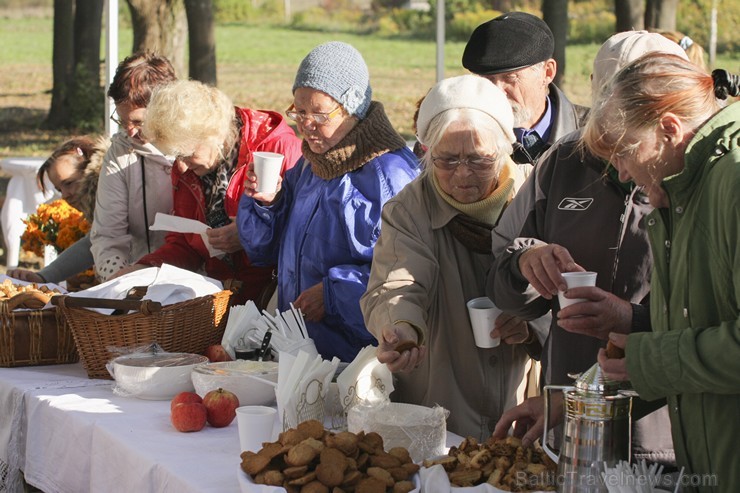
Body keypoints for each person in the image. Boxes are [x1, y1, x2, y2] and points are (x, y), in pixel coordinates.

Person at [487, 32, 689, 463]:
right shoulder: (562, 162)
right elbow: (504, 282)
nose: (619, 157)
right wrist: (526, 263)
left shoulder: (702, 179)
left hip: (671, 442)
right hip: (570, 427)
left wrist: (630, 318)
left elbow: (714, 322)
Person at [584, 55, 739, 492]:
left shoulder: (732, 182)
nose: (623, 172)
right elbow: (703, 327)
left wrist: (648, 358)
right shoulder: (685, 193)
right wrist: (639, 354)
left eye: (625, 152)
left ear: (669, 130)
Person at [360, 75, 538, 440]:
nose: (462, 174)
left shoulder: (536, 197)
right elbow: (397, 282)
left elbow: (567, 292)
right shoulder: (410, 209)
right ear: (426, 152)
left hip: (524, 404)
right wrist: (402, 329)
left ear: (505, 148)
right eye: (447, 160)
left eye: (478, 159)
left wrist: (532, 325)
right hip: (440, 410)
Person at [237, 41, 419, 362]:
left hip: (361, 359)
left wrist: (334, 296)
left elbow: (407, 276)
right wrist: (267, 205)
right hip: (302, 351)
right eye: (299, 112)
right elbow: (263, 252)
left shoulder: (390, 175)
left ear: (350, 108)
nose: (306, 126)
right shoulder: (311, 164)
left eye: (318, 113)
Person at [112, 80, 302, 304]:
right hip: (223, 300)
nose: (180, 166)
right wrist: (145, 268)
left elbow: (303, 235)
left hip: (277, 300)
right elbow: (185, 243)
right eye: (175, 156)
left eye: (186, 153)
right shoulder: (190, 165)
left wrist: (248, 235)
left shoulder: (275, 149)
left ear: (214, 135)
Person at [90, 52, 178, 281]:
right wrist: (118, 280)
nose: (129, 131)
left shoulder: (195, 149)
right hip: (138, 278)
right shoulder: (120, 153)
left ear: (164, 109)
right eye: (122, 120)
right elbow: (108, 235)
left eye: (138, 122)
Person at [462, 11, 588, 165]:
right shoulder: (464, 138)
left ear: (547, 72)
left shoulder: (595, 134)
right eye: (488, 80)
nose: (497, 92)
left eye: (510, 78)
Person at [8, 136, 107, 283]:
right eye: (59, 189)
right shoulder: (102, 207)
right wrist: (43, 276)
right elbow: (94, 241)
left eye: (68, 183)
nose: (65, 195)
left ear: (90, 170)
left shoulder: (118, 190)